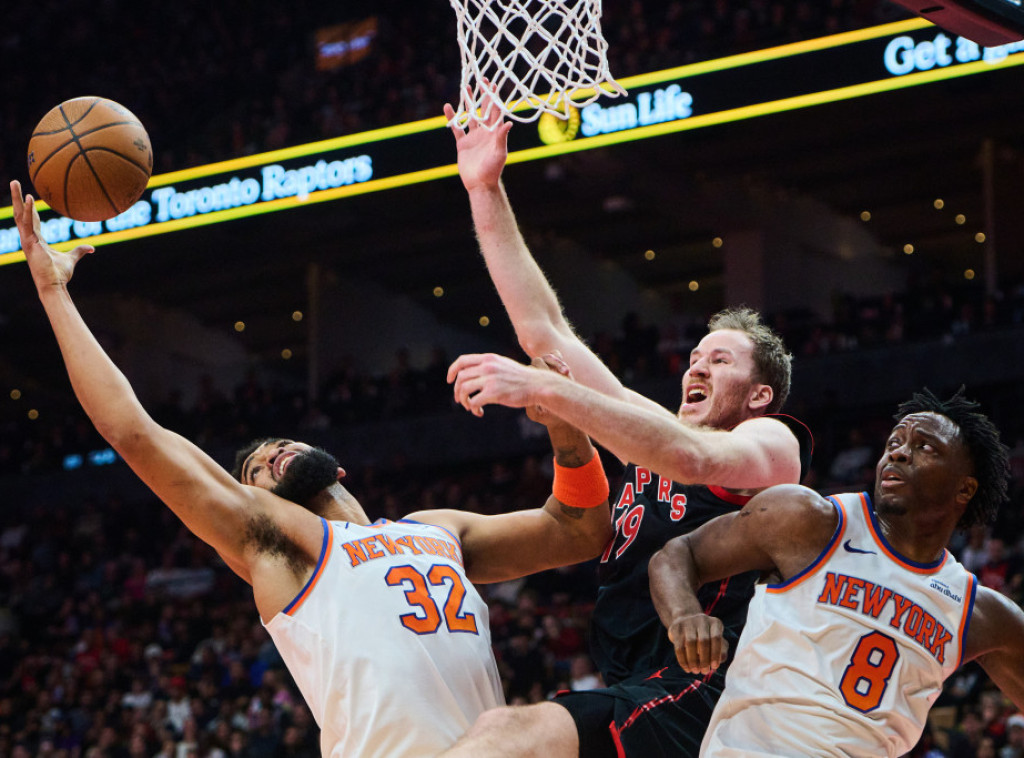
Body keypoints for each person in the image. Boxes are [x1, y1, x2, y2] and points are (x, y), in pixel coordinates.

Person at [10, 179, 614, 758]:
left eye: (276, 445)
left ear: (338, 467)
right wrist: (53, 293)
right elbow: (133, 432)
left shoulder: (436, 529)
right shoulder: (279, 542)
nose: (268, 455)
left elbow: (578, 531)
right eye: (255, 470)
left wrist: (564, 424)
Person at [438, 109, 812, 757]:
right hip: (642, 681)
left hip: (712, 686)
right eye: (695, 356)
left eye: (721, 360)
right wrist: (484, 188)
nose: (697, 366)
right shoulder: (650, 432)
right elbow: (544, 331)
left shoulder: (772, 444)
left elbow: (693, 459)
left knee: (509, 734)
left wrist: (547, 391)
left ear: (759, 395)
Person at [649, 388, 1024, 757]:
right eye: (894, 442)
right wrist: (684, 615)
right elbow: (677, 554)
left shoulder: (977, 613)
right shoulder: (810, 520)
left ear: (965, 489)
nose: (898, 452)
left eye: (925, 447)